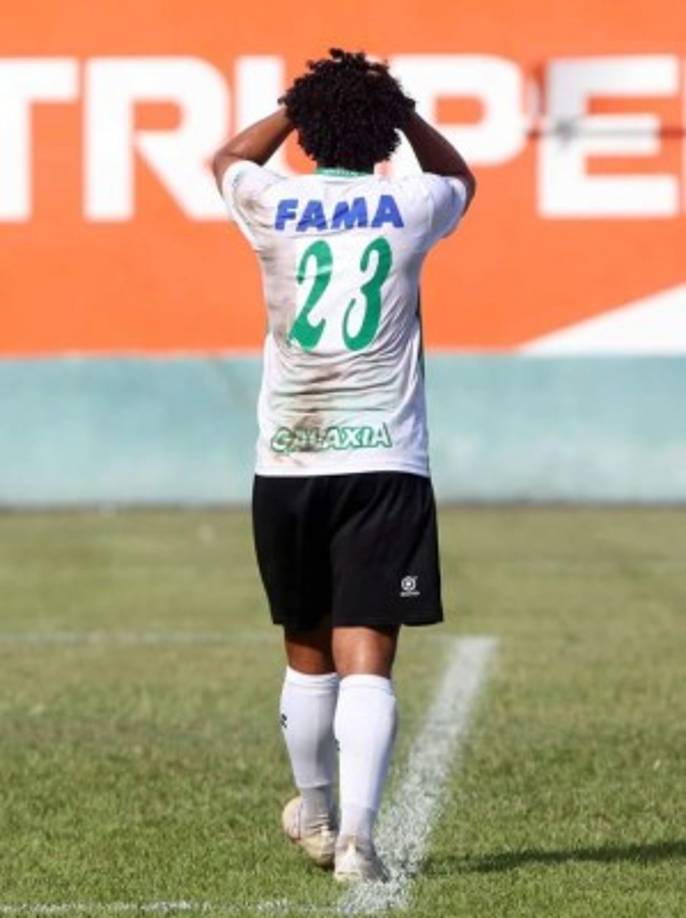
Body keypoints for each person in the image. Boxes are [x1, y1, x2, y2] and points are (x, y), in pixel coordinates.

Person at [212, 48, 476, 884]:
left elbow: (227, 160)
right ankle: (358, 837)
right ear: (383, 134)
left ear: (308, 135)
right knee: (370, 658)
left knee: (306, 653)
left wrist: (298, 106)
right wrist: (397, 110)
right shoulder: (410, 203)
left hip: (288, 461)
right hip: (385, 464)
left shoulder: (273, 200)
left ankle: (317, 812)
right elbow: (459, 173)